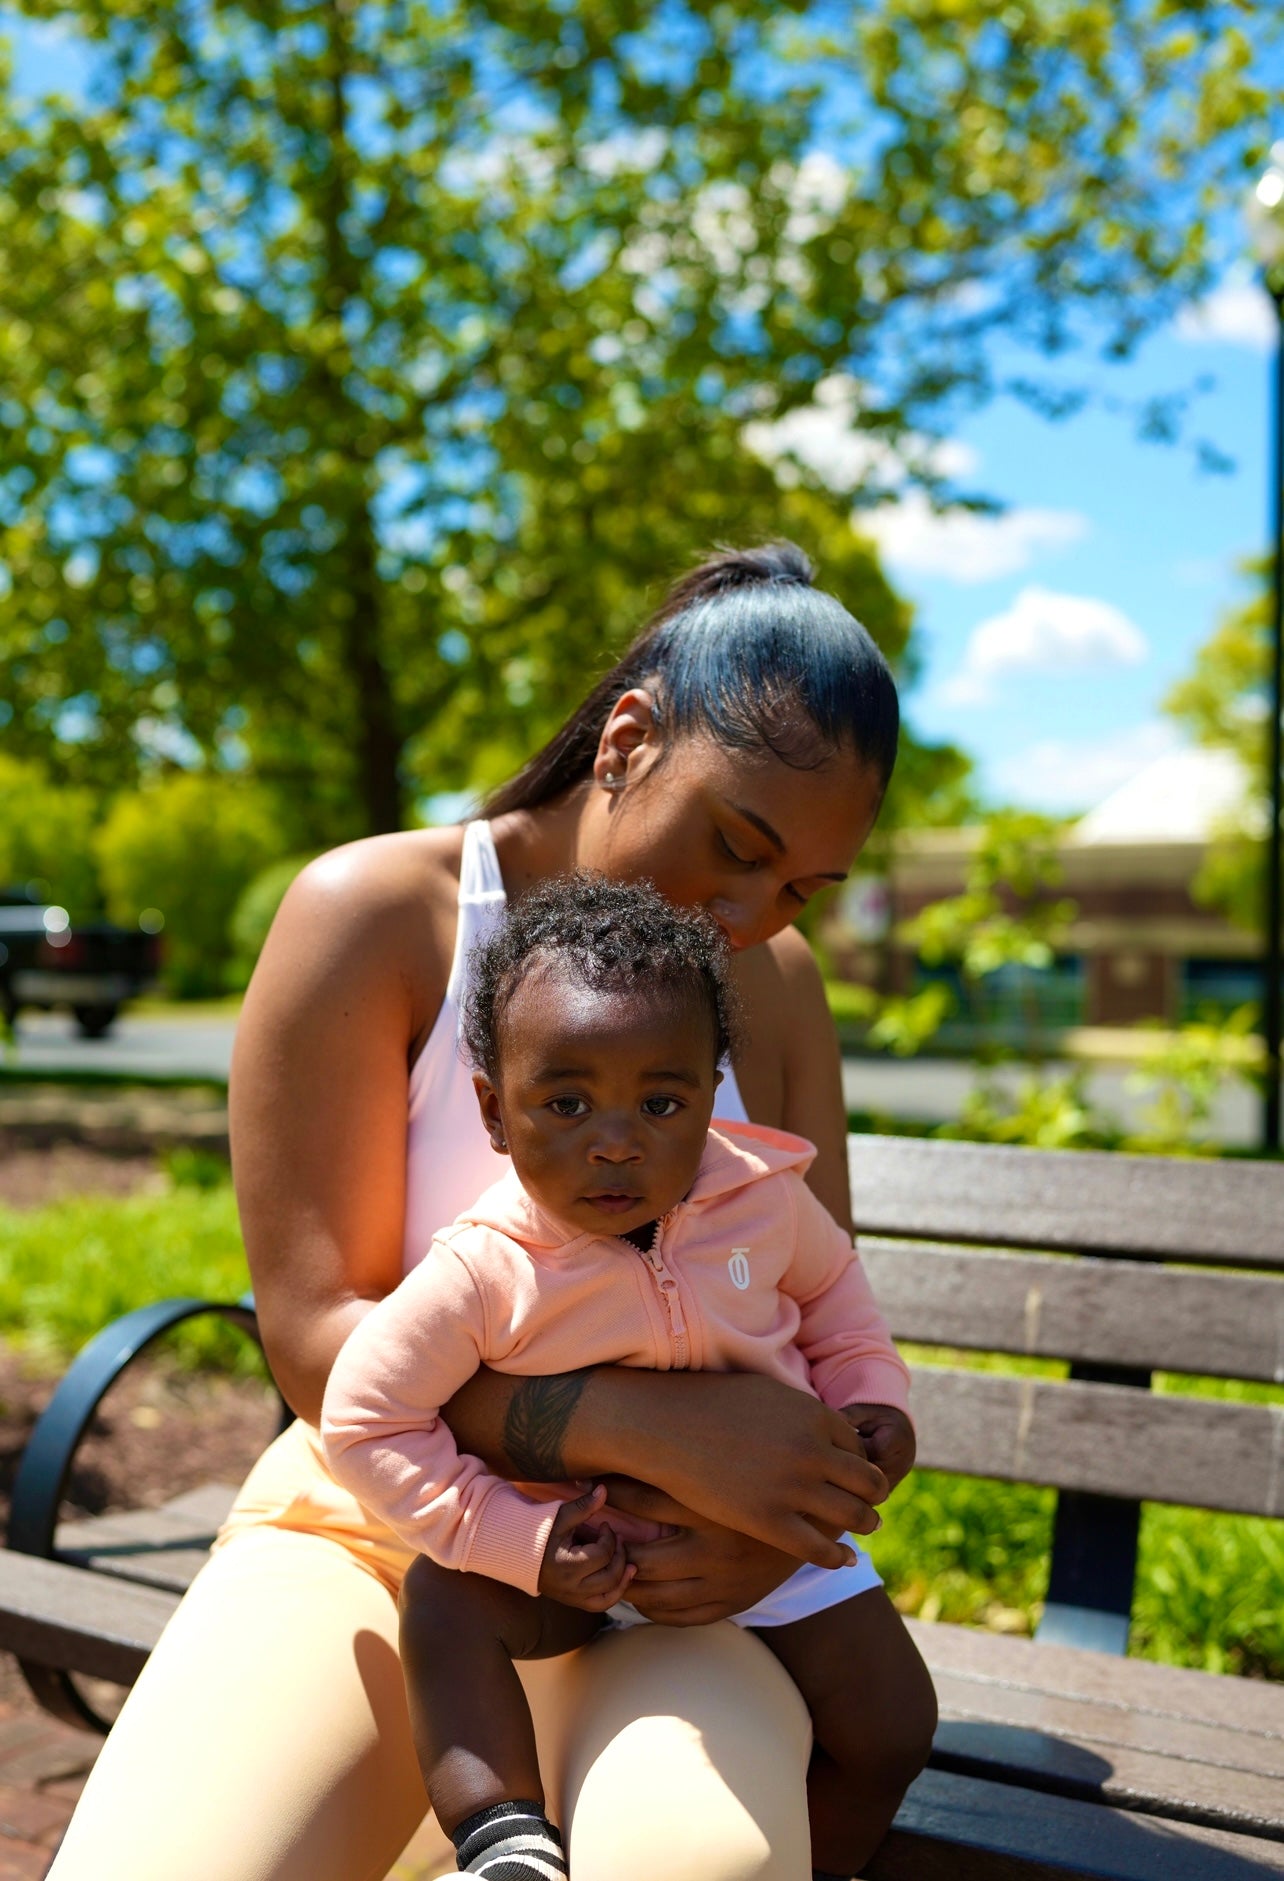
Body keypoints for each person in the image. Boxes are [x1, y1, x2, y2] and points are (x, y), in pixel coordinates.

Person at [47, 541, 936, 1881]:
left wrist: (767, 1533)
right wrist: (647, 1425)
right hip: (386, 1536)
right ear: (630, 739)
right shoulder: (380, 916)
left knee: (706, 1865)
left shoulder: (780, 986)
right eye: (738, 845)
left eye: (801, 887)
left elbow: (815, 1308)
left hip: (676, 1593)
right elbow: (315, 1338)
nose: (752, 915)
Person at [321, 873, 914, 1881]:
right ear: (495, 1112)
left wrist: (876, 1404)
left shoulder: (761, 1201)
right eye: (565, 1100)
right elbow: (366, 1420)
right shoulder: (483, 1267)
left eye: (662, 1100)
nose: (616, 1137)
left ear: (710, 1093)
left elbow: (838, 1304)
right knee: (445, 1604)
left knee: (896, 1725)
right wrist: (517, 1539)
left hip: (765, 1538)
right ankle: (502, 1838)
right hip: (575, 1559)